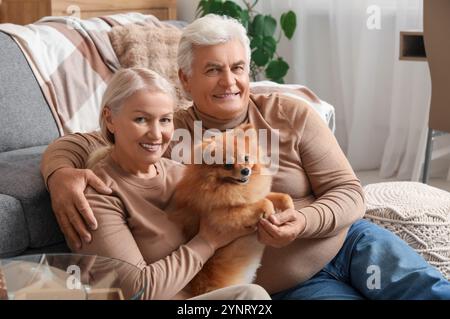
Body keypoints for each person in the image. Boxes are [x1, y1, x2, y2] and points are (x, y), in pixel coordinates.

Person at [41, 15, 450, 299]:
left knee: (427, 290)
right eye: (213, 70)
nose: (230, 81)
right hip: (289, 286)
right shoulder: (168, 128)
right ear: (185, 79)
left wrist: (304, 221)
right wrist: (60, 173)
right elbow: (85, 141)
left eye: (238, 67)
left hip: (348, 245)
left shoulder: (289, 114)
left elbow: (349, 191)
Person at [62, 66, 270, 300]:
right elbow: (138, 292)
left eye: (165, 120)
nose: (156, 134)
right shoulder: (99, 194)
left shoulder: (181, 174)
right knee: (251, 298)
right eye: (141, 119)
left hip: (204, 294)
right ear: (110, 119)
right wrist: (207, 241)